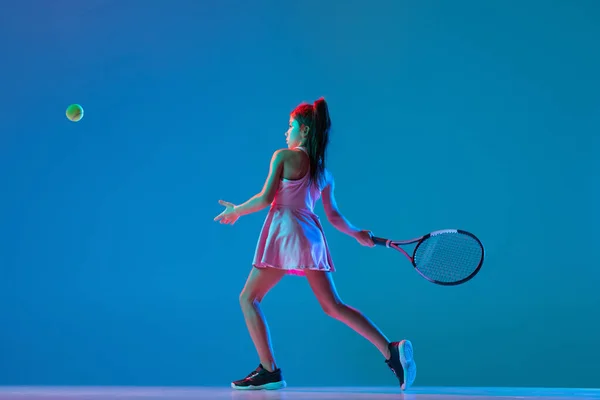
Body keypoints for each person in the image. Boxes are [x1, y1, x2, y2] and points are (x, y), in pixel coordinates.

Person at [214, 97, 416, 391]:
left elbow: (265, 199)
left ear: (305, 131)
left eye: (291, 126)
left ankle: (269, 370)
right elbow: (333, 217)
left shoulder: (283, 156)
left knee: (248, 298)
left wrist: (235, 211)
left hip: (286, 234)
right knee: (333, 306)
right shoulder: (324, 172)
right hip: (310, 237)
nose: (287, 132)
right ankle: (391, 351)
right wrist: (357, 233)